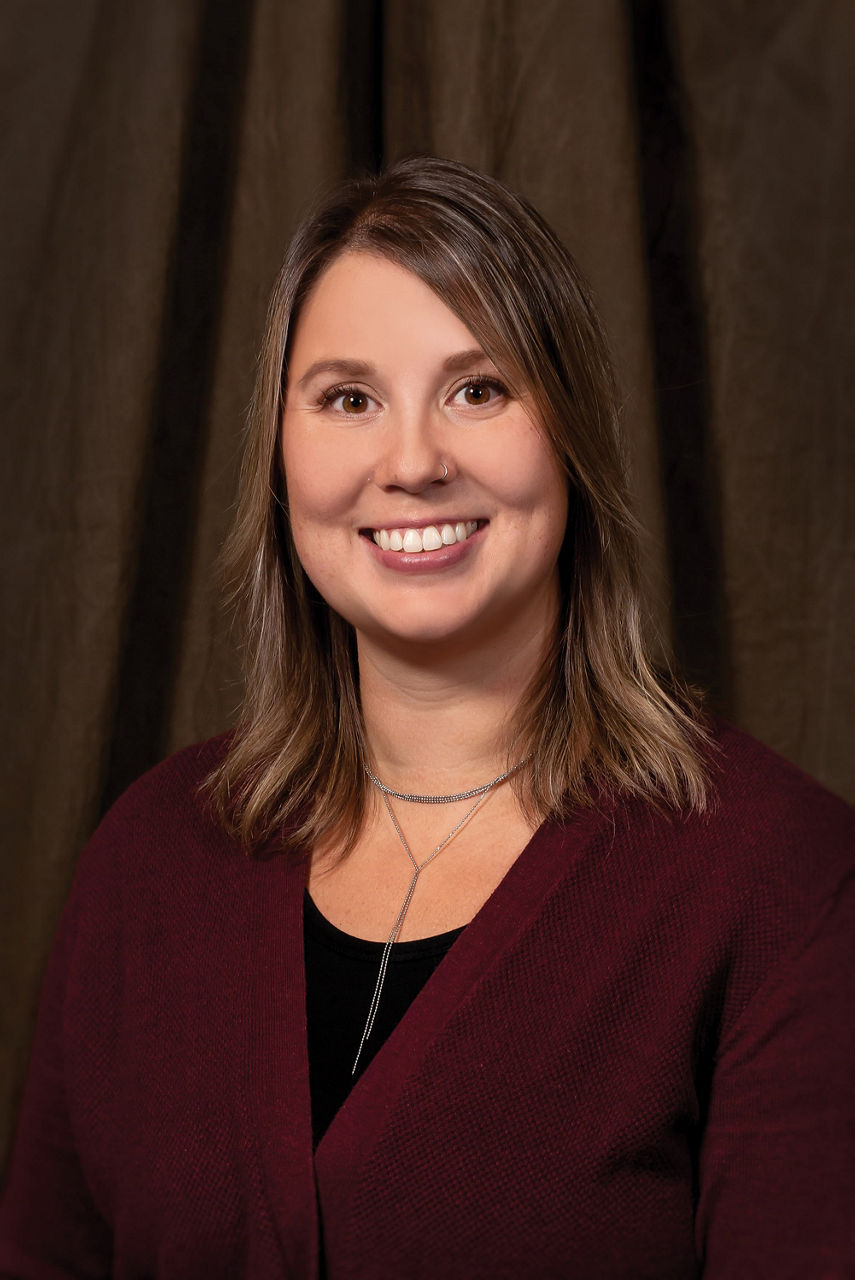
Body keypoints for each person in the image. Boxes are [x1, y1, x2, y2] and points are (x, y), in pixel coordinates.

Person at [1, 156, 853, 1279]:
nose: (412, 462)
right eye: (350, 398)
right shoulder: (148, 856)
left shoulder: (780, 876)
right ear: (281, 456)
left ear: (572, 437)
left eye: (478, 388)